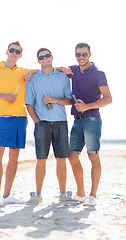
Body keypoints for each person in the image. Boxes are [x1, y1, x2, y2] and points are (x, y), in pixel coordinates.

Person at [0, 41, 38, 208]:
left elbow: (42, 70)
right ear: (7, 51)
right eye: (11, 50)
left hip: (21, 118)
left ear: (20, 55)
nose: (14, 53)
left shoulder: (23, 72)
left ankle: (7, 195)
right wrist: (4, 96)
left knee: (14, 157)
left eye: (17, 51)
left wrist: (31, 72)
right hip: (3, 118)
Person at [59, 43, 112, 206]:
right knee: (72, 156)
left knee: (92, 156)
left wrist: (87, 106)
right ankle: (80, 193)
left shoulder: (98, 74)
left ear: (90, 55)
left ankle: (93, 196)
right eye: (78, 54)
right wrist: (62, 67)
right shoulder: (73, 70)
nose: (81, 57)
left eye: (84, 54)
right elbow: (55, 70)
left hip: (92, 121)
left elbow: (108, 98)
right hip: (77, 122)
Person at [25, 48, 73, 203]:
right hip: (42, 124)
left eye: (47, 56)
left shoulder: (63, 77)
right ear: (38, 60)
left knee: (61, 158)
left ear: (52, 57)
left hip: (60, 121)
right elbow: (28, 104)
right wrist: (37, 122)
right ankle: (38, 194)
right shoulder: (33, 79)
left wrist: (54, 100)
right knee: (41, 159)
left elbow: (69, 100)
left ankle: (63, 193)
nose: (45, 58)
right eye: (41, 57)